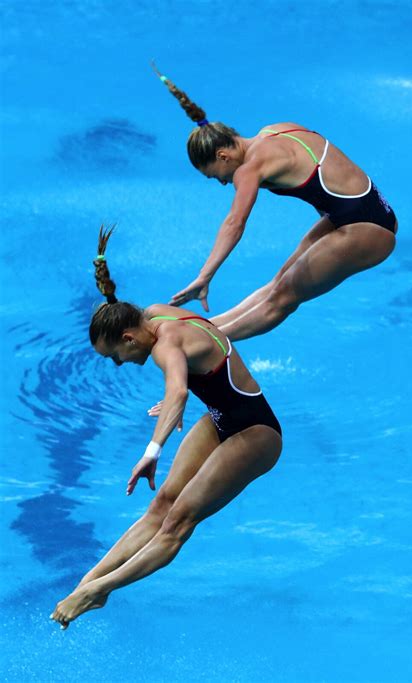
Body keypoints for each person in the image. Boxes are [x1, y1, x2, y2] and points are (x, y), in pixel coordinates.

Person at [50, 226, 282, 629]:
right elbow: (192, 372)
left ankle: (97, 591)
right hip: (222, 418)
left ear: (127, 337)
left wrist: (151, 452)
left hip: (256, 434)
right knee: (160, 507)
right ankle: (86, 583)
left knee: (177, 523)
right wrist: (185, 392)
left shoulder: (163, 344)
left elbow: (176, 392)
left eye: (116, 357)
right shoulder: (153, 313)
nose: (119, 364)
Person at [151, 64, 398, 341]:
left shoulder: (250, 167)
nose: (222, 183)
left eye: (215, 177)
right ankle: (199, 329)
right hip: (358, 212)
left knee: (281, 300)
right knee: (278, 283)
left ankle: (200, 343)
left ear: (223, 156)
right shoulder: (278, 129)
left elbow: (235, 223)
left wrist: (204, 276)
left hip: (366, 229)